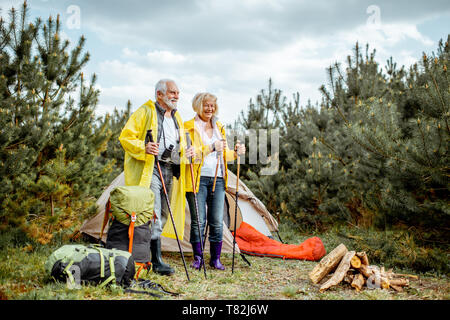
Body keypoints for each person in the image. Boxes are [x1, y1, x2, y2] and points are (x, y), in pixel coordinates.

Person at [119, 79, 194, 276]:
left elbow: (181, 143)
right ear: (159, 94)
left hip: (171, 168)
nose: (176, 96)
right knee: (154, 211)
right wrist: (143, 147)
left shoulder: (177, 118)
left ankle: (152, 256)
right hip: (151, 167)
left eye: (177, 93)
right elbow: (126, 136)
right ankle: (155, 260)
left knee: (163, 214)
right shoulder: (146, 111)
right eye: (172, 92)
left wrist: (188, 150)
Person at [184, 92, 245, 270]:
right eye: (206, 105)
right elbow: (190, 154)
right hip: (197, 178)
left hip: (218, 178)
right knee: (198, 221)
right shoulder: (189, 126)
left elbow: (223, 154)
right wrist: (211, 147)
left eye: (212, 105)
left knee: (217, 220)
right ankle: (198, 258)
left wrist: (235, 153)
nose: (210, 108)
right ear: (198, 106)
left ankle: (215, 259)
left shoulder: (219, 126)